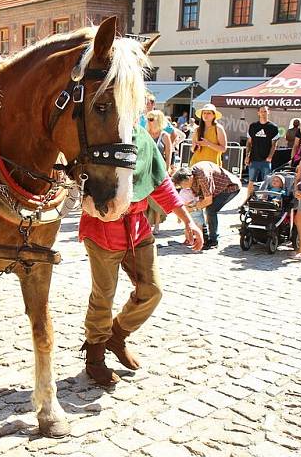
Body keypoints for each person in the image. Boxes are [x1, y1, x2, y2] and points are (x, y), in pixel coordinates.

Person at [79, 126, 203, 387]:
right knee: (104, 296)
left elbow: (161, 184)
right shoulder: (96, 132)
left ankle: (116, 335)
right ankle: (95, 356)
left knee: (152, 290)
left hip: (138, 228)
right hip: (102, 228)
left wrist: (188, 222)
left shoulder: (143, 139)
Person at [171, 161, 241, 249]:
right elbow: (200, 197)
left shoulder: (202, 176)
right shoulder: (192, 177)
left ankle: (213, 240)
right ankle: (204, 237)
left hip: (230, 187)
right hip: (216, 190)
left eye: (183, 185)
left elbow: (208, 200)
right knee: (202, 208)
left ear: (189, 178)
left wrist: (192, 208)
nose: (184, 188)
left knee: (211, 210)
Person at [245, 105, 280, 199]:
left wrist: (270, 157)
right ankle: (247, 200)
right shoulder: (253, 126)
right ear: (258, 113)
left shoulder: (273, 127)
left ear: (268, 112)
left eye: (265, 111)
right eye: (261, 111)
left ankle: (264, 201)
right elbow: (249, 143)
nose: (263, 113)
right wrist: (247, 156)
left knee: (267, 182)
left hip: (266, 160)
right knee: (251, 181)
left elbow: (274, 144)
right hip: (254, 159)